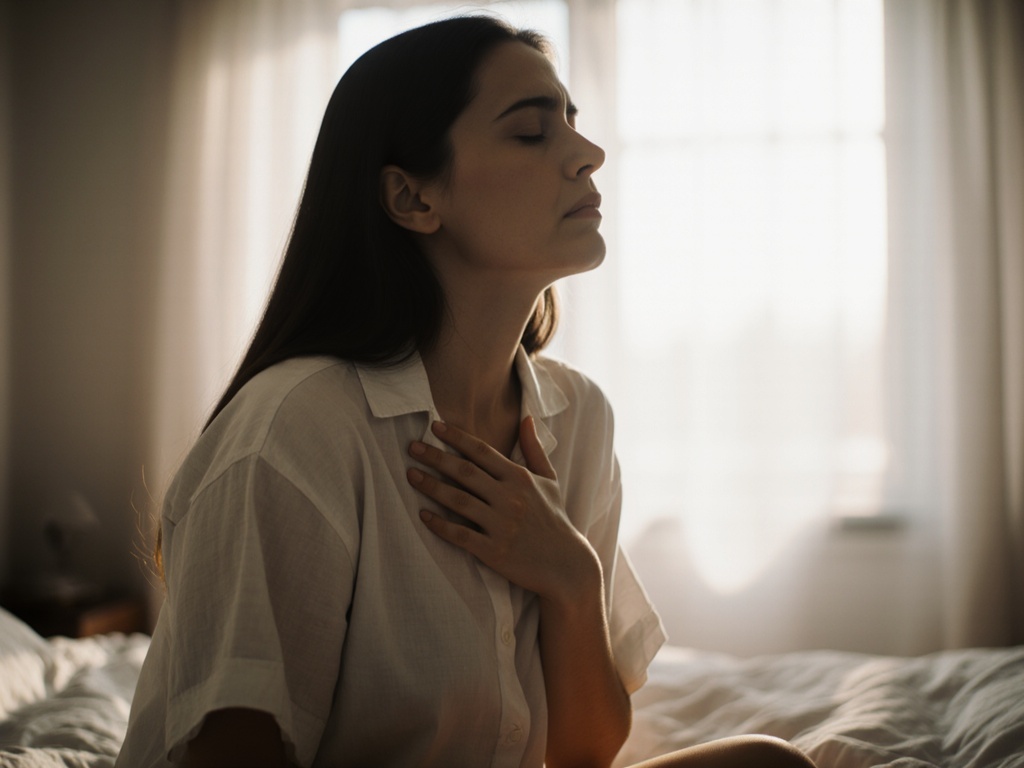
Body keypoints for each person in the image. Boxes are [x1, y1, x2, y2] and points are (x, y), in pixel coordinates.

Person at [117, 15, 820, 768]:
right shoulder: (296, 429)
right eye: (531, 133)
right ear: (413, 198)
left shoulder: (578, 417)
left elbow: (586, 752)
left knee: (770, 764)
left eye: (574, 125)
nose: (589, 155)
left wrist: (572, 579)